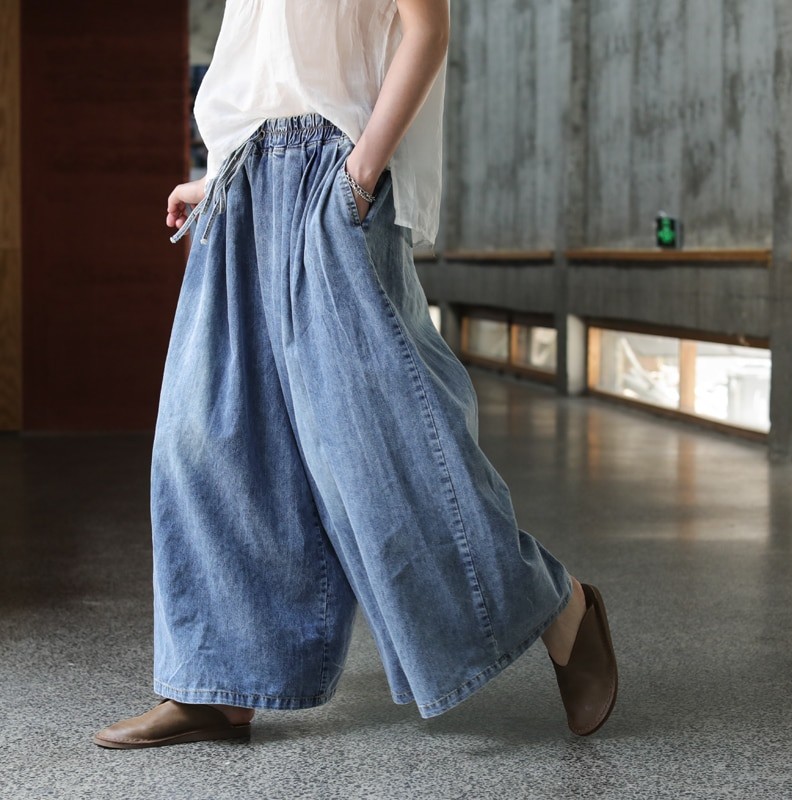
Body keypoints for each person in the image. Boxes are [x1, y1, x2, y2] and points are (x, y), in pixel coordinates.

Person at [93, 0, 617, 749]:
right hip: (245, 180)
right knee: (205, 438)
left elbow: (427, 29)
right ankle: (218, 687)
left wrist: (362, 172)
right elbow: (268, 63)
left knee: (375, 449)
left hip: (330, 171)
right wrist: (219, 177)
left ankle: (560, 608)